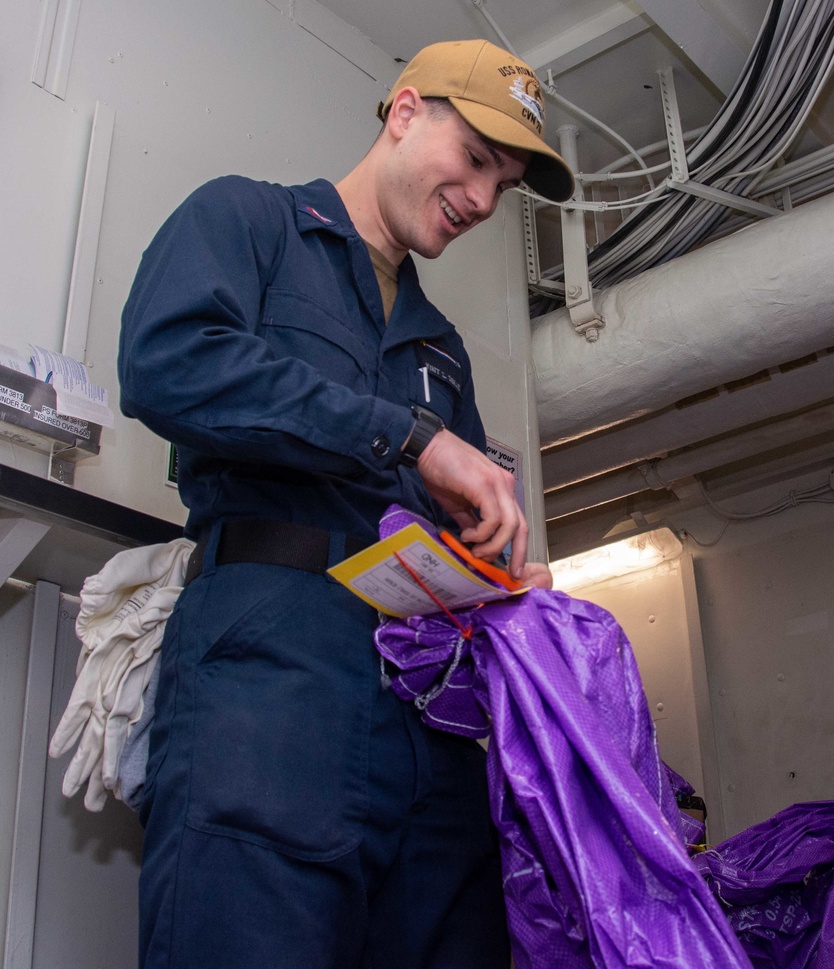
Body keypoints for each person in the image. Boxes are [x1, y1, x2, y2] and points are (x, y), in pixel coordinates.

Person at [117, 38, 574, 969]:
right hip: (267, 694)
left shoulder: (439, 346)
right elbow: (169, 361)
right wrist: (407, 436)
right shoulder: (250, 221)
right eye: (477, 159)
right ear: (405, 112)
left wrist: (499, 578)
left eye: (506, 182)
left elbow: (448, 520)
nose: (485, 200)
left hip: (426, 733)